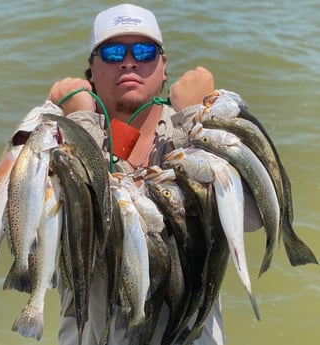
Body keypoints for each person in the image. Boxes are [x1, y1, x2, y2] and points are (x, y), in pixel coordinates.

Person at [48, 4, 223, 345]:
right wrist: (80, 123)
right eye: (113, 52)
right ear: (91, 71)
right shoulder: (58, 133)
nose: (129, 62)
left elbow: (249, 216)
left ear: (164, 67)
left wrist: (196, 117)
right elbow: (26, 226)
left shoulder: (200, 126)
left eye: (143, 51)